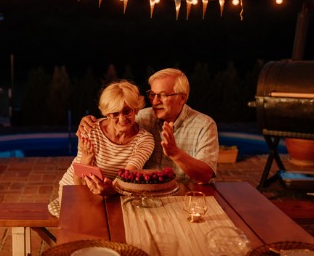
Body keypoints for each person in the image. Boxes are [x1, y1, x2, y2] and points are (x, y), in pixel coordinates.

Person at [79, 68, 219, 184]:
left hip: (185, 194)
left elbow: (205, 175)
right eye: (152, 94)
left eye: (163, 95)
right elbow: (117, 114)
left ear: (182, 98)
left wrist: (176, 153)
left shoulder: (204, 125)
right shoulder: (141, 116)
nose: (155, 101)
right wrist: (87, 121)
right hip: (146, 194)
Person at [48, 80, 154, 217]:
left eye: (127, 111)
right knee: (91, 220)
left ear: (135, 109)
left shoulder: (145, 140)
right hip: (73, 189)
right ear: (107, 114)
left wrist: (112, 190)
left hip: (112, 191)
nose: (122, 119)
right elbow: (78, 182)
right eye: (115, 114)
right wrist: (87, 158)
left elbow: (127, 177)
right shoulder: (90, 130)